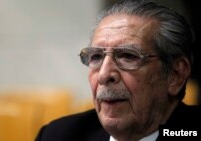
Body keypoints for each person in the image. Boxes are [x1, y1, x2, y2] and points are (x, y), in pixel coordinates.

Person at [35, 0, 200, 140]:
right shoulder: (60, 135)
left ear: (176, 75)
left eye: (128, 56)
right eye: (96, 57)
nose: (104, 75)